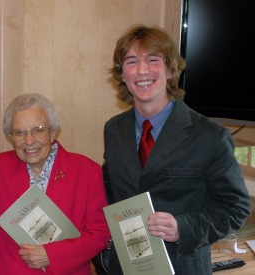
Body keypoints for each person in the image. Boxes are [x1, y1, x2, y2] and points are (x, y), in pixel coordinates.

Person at [102, 24, 251, 274]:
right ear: (121, 75)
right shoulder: (113, 129)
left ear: (170, 69)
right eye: (131, 61)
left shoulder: (210, 136)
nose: (142, 70)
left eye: (152, 59)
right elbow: (110, 185)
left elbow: (235, 208)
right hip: (125, 265)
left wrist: (182, 227)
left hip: (183, 266)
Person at [0, 93, 110, 274]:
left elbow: (100, 233)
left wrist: (53, 254)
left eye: (38, 130)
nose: (29, 140)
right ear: (11, 136)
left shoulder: (86, 170)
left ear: (53, 131)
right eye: (19, 132)